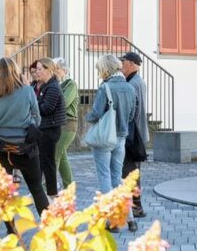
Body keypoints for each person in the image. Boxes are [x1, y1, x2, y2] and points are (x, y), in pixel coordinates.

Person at [0, 57, 50, 216]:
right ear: (16, 71)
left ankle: (11, 228)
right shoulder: (27, 90)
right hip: (25, 147)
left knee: (4, 193)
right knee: (36, 189)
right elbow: (37, 119)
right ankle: (50, 226)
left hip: (2, 147)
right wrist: (27, 123)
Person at [85, 54, 136, 232]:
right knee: (117, 178)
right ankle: (130, 218)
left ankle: (112, 220)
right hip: (121, 137)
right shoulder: (129, 87)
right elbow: (132, 115)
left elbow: (96, 113)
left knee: (105, 178)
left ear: (105, 69)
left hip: (105, 138)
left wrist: (88, 118)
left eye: (99, 69)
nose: (99, 72)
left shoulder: (105, 87)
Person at [121, 52, 148, 220]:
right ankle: (135, 206)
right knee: (132, 171)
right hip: (136, 134)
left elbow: (134, 112)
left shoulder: (133, 83)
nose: (121, 66)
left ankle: (136, 207)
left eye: (123, 62)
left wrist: (129, 134)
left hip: (133, 135)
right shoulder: (136, 81)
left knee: (130, 172)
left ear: (131, 63)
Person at [32, 58, 64, 201]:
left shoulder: (53, 87)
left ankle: (52, 193)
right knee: (38, 162)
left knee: (48, 162)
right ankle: (38, 191)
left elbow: (46, 108)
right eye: (36, 69)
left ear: (48, 70)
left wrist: (33, 103)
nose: (36, 72)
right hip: (41, 128)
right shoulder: (40, 85)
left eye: (40, 69)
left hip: (49, 130)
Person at [53, 57, 79, 189]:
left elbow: (64, 102)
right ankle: (69, 188)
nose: (54, 71)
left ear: (65, 70)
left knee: (54, 155)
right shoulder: (55, 84)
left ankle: (48, 189)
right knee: (62, 156)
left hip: (68, 124)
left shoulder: (70, 84)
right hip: (58, 124)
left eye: (56, 68)